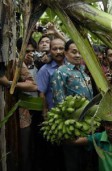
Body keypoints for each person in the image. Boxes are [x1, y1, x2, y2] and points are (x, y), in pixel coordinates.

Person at [51, 39, 93, 171]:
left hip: (87, 124)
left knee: (86, 162)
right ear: (65, 53)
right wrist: (70, 125)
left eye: (80, 52)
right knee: (73, 162)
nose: (78, 55)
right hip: (72, 125)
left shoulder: (83, 72)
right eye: (74, 52)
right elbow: (59, 101)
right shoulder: (61, 72)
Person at [36, 38, 66, 171]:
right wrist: (45, 113)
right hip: (54, 117)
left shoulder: (71, 66)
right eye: (55, 49)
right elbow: (41, 93)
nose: (58, 52)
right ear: (50, 51)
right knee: (55, 153)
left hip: (72, 115)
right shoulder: (45, 70)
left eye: (61, 48)